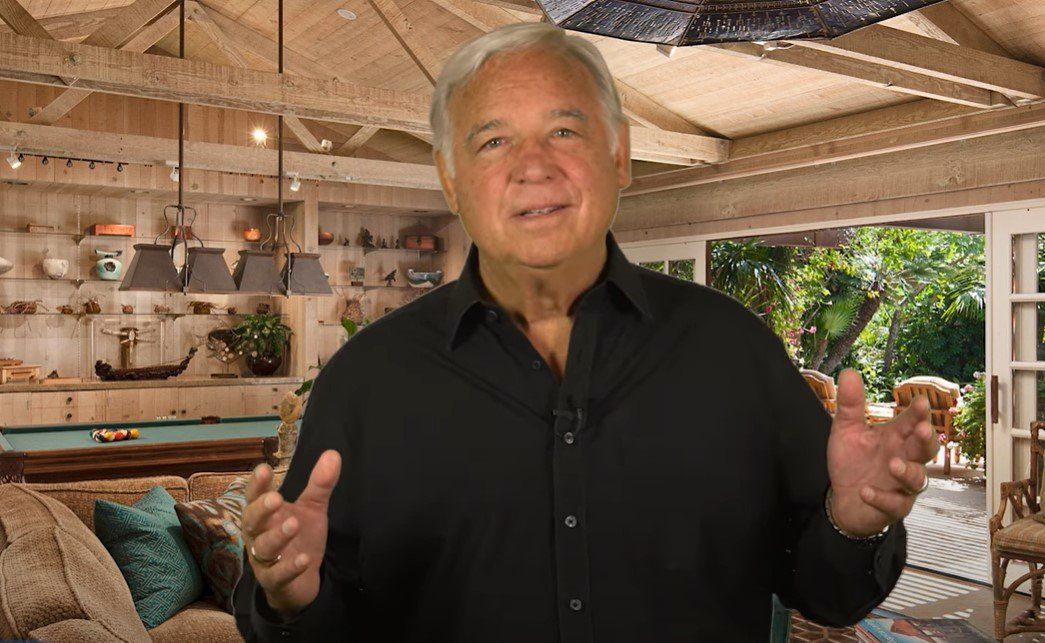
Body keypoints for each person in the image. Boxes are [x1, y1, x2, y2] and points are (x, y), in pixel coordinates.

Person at [233, 23, 935, 642]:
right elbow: (313, 616)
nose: (533, 165)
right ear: (450, 179)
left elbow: (828, 593)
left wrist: (853, 522)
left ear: (619, 154)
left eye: (564, 131)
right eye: (493, 140)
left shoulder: (732, 350)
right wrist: (291, 598)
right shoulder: (367, 381)